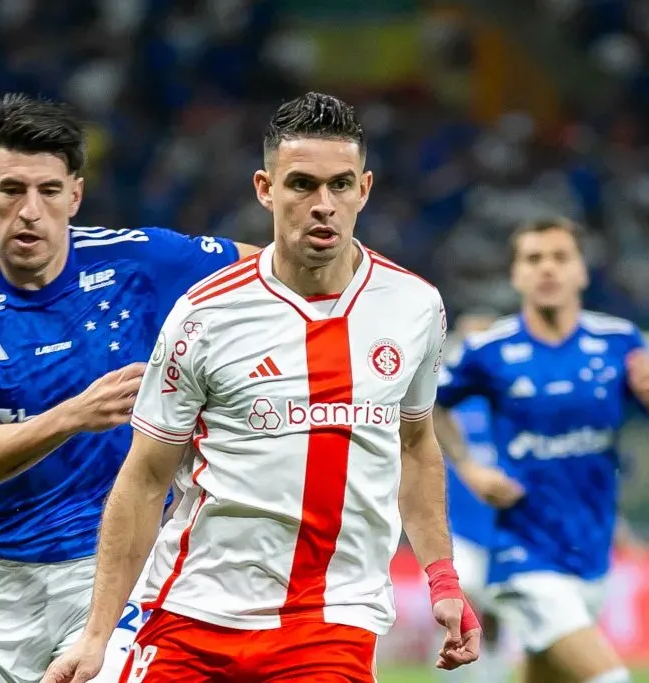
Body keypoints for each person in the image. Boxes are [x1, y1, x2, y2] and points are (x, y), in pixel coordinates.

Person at [43, 91, 480, 683]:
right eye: (301, 184)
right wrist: (96, 637)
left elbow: (414, 445)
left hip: (333, 618)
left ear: (365, 189)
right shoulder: (204, 314)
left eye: (340, 185)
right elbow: (145, 479)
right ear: (265, 189)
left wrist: (442, 578)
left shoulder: (415, 308)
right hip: (190, 613)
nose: (323, 205)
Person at [0, 93, 258, 683]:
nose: (30, 211)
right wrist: (75, 414)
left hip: (113, 569)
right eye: (11, 190)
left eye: (49, 192)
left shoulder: (139, 262)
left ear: (75, 194)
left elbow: (271, 270)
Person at [434, 217, 649, 683]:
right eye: (534, 259)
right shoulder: (489, 351)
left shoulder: (621, 342)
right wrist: (469, 468)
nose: (547, 269)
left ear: (582, 272)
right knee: (610, 679)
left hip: (592, 555)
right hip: (524, 554)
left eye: (560, 257)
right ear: (516, 275)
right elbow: (430, 405)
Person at [440, 312, 513, 683]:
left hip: (502, 525)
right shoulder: (449, 405)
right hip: (459, 527)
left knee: (497, 608)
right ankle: (456, 673)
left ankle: (494, 670)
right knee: (463, 599)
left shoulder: (508, 403)